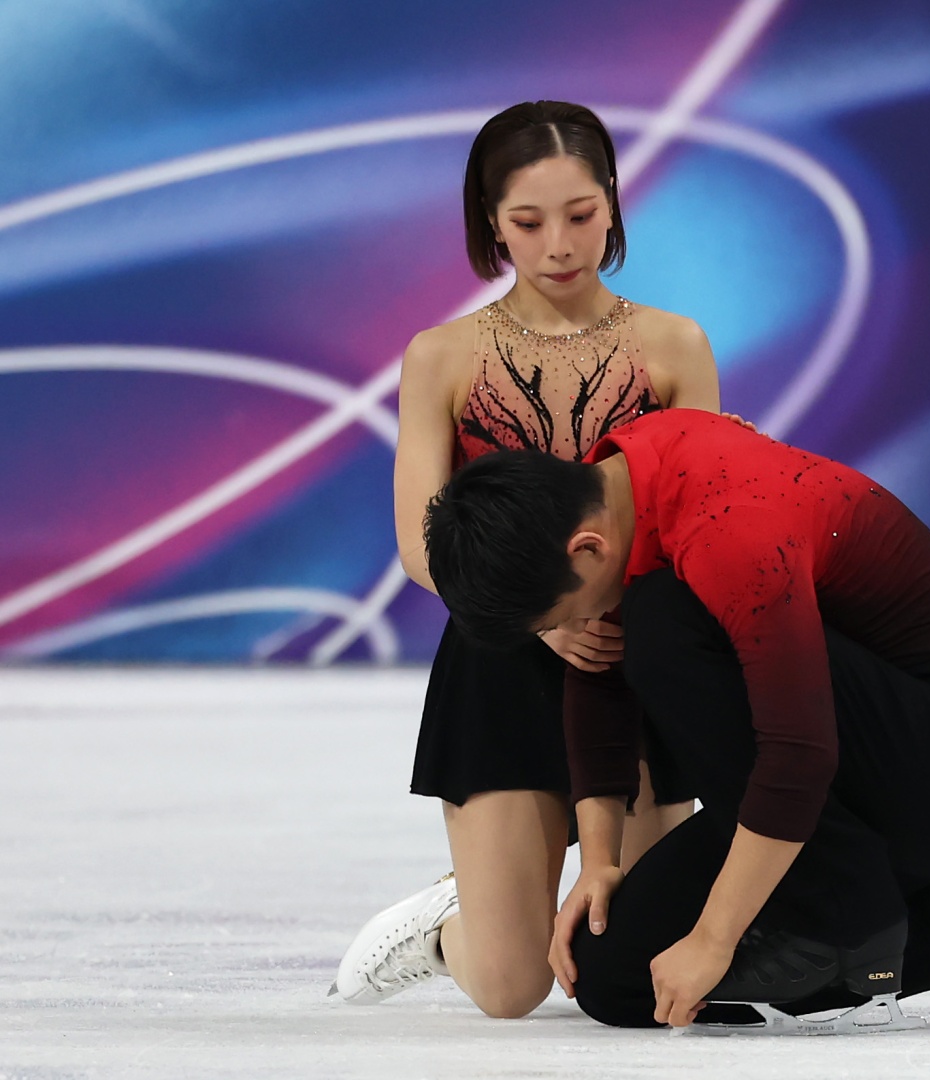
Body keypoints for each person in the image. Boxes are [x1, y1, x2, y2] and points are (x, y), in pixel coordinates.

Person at [421, 408, 930, 1029]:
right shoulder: (614, 480)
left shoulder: (728, 532)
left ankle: (854, 914)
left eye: (566, 615)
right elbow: (598, 675)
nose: (579, 633)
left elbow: (798, 752)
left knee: (662, 625)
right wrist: (599, 859)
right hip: (843, 788)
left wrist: (714, 939)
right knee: (614, 981)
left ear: (586, 548)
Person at [331, 101, 739, 1017]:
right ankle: (448, 927)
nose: (559, 244)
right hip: (504, 658)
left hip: (635, 666)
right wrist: (544, 620)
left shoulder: (675, 348)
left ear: (614, 204)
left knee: (625, 958)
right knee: (513, 991)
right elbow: (419, 542)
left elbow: (698, 524)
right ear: (488, 221)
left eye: (582, 214)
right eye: (527, 222)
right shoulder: (443, 356)